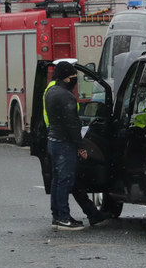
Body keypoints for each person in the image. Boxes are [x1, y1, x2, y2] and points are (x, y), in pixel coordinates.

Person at [44, 62, 106, 230]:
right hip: (64, 143)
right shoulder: (66, 96)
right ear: (66, 77)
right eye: (73, 77)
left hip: (53, 140)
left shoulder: (50, 92)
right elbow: (72, 125)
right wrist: (80, 146)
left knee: (57, 180)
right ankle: (64, 217)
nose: (75, 81)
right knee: (65, 180)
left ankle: (57, 216)